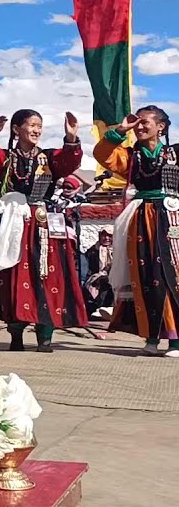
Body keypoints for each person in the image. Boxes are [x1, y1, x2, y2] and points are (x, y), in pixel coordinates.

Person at [0, 110, 88, 352]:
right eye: (32, 125)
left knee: (47, 275)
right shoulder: (5, 159)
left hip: (43, 223)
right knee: (15, 275)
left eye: (40, 126)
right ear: (16, 129)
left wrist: (71, 138)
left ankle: (44, 336)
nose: (37, 130)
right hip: (15, 225)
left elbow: (69, 161)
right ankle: (16, 335)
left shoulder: (49, 159)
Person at [94, 105, 179, 356]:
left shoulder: (175, 153)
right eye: (137, 123)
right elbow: (102, 153)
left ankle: (175, 339)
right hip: (141, 218)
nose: (139, 127)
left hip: (172, 217)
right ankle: (151, 338)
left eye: (145, 123)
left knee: (172, 275)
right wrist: (121, 130)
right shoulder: (131, 156)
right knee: (144, 274)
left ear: (161, 127)